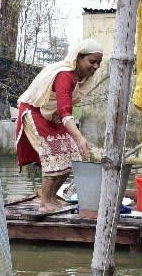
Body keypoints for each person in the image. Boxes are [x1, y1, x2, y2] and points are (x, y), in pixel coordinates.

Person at [15, 38, 104, 212]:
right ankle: (45, 202)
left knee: (73, 154)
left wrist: (77, 141)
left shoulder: (79, 78)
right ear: (78, 58)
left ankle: (51, 196)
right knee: (54, 154)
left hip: (51, 115)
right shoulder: (65, 76)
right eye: (92, 62)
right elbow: (65, 111)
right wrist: (79, 137)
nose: (95, 67)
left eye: (98, 63)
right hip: (35, 111)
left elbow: (63, 111)